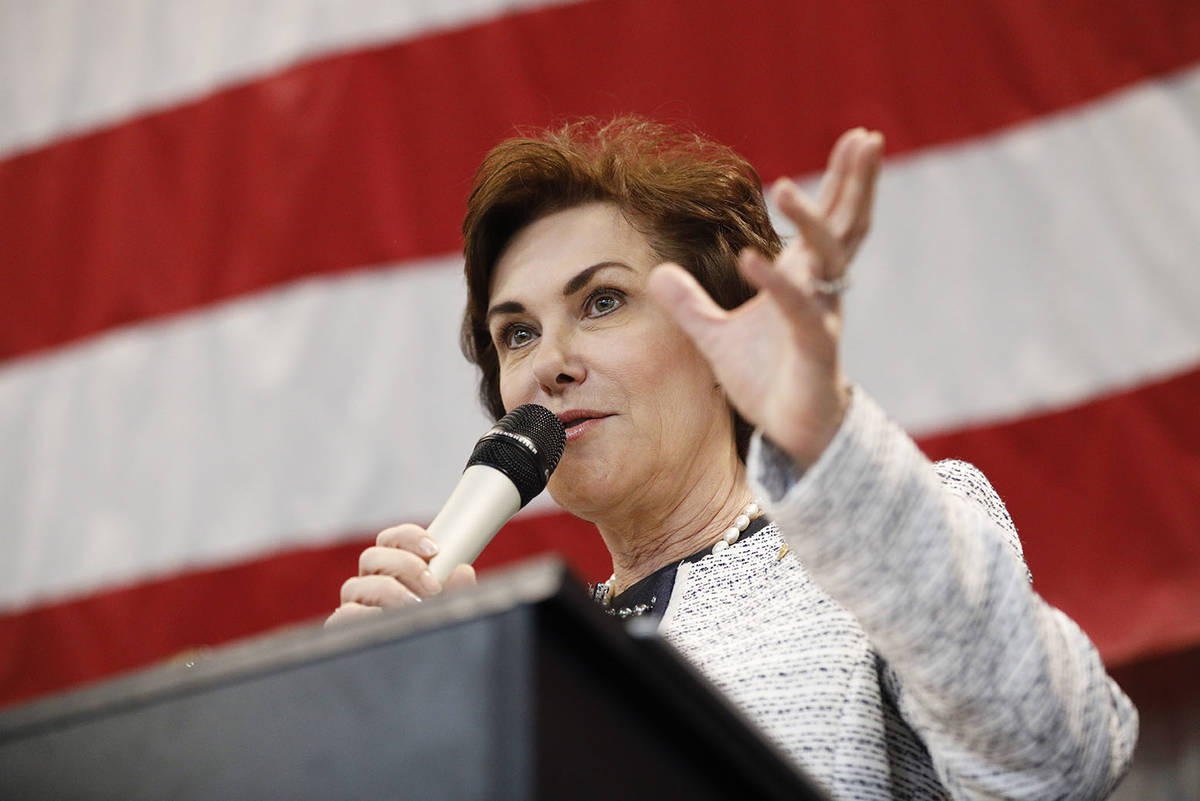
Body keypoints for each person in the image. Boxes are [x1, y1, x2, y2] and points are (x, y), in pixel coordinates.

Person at [326, 117, 1138, 799]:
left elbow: (1058, 764)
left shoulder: (876, 546)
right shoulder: (518, 669)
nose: (550, 361)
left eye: (601, 301)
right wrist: (396, 721)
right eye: (518, 332)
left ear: (719, 336)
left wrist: (831, 448)